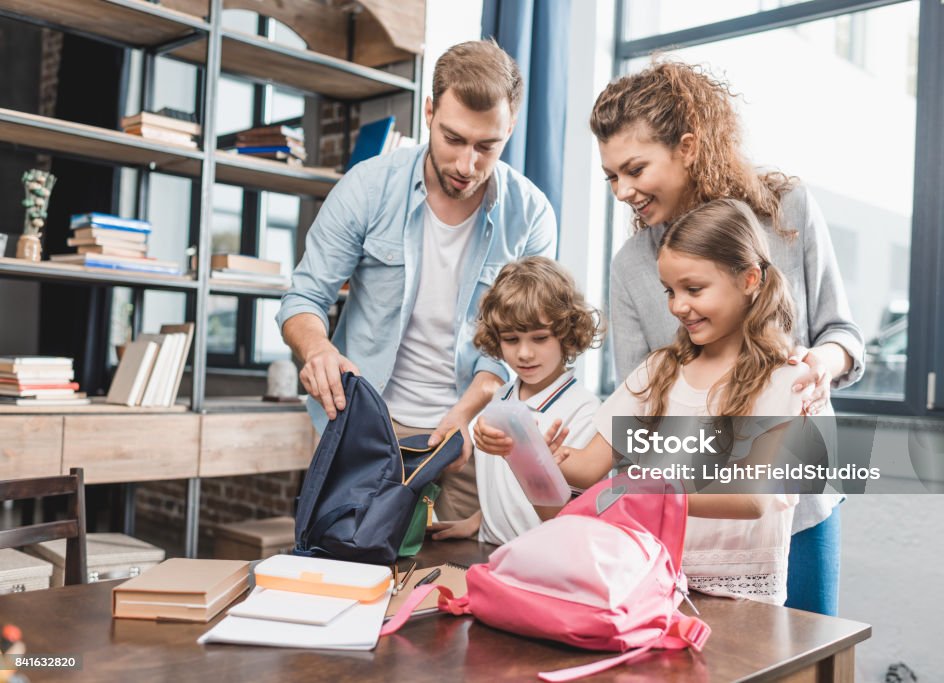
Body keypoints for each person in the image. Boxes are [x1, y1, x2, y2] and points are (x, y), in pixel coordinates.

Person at [590, 60, 861, 615]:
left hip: (800, 502)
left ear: (688, 146)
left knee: (809, 658)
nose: (622, 191)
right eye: (611, 176)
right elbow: (642, 415)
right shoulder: (632, 266)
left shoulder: (788, 211)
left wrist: (822, 364)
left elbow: (843, 334)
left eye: (634, 169)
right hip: (695, 523)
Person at [277, 40, 557, 523]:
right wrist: (318, 351)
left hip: (472, 430)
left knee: (455, 582)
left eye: (487, 146)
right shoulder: (366, 187)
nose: (467, 165)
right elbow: (304, 297)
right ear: (429, 112)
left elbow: (514, 345)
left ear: (509, 128)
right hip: (363, 425)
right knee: (347, 566)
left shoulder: (531, 214)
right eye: (453, 139)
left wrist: (467, 415)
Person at [559, 199, 815, 605]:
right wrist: (529, 450)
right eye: (670, 291)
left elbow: (751, 499)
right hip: (654, 586)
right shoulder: (659, 370)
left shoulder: (787, 380)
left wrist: (644, 489)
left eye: (693, 289)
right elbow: (588, 468)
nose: (678, 306)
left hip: (743, 607)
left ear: (749, 279)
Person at [431, 256, 603, 544]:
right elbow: (505, 487)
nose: (524, 353)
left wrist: (528, 451)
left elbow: (570, 512)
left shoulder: (584, 409)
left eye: (539, 338)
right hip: (488, 548)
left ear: (567, 334)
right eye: (511, 339)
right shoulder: (501, 396)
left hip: (542, 558)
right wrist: (478, 521)